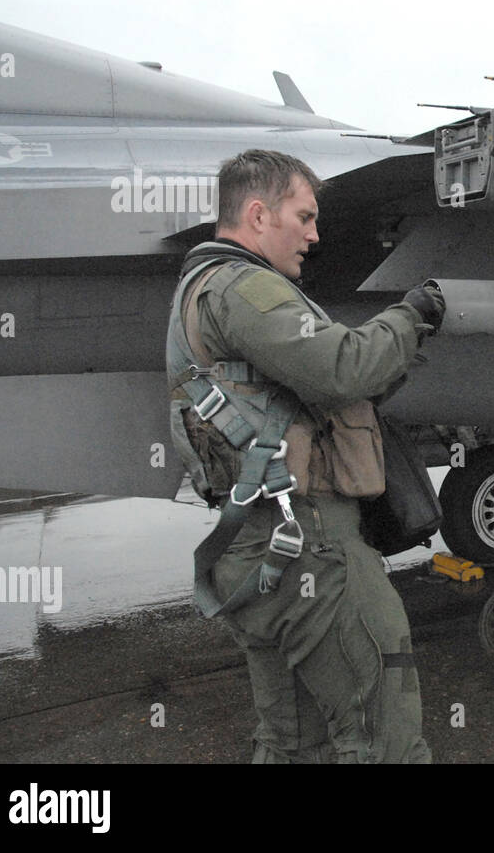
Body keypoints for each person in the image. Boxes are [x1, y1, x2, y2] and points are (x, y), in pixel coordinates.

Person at [165, 149, 442, 763]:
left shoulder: (202, 288)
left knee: (295, 744)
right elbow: (343, 366)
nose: (315, 236)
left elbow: (322, 388)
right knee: (383, 741)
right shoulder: (244, 286)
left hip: (257, 551)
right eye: (305, 216)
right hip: (310, 549)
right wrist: (411, 316)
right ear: (259, 215)